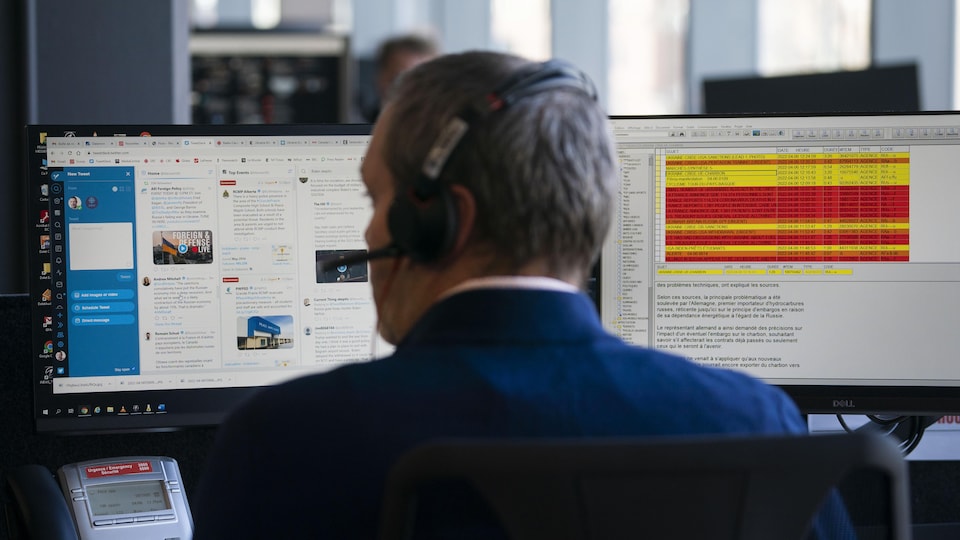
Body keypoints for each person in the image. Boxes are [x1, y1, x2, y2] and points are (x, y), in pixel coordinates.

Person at [193, 51, 848, 539]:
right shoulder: (755, 424)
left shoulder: (282, 442)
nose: (368, 230)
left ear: (441, 219)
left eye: (376, 198)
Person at [363, 33, 439, 122]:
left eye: (424, 81)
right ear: (381, 77)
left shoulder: (446, 128)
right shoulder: (357, 124)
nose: (413, 89)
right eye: (403, 79)